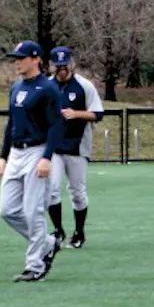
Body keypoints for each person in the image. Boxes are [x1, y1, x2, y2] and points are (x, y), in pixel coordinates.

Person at [0, 41, 66, 282]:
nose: (17, 61)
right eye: (15, 57)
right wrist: (3, 156)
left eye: (21, 57)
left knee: (32, 210)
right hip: (16, 153)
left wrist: (47, 157)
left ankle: (35, 266)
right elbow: (11, 124)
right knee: (6, 210)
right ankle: (48, 243)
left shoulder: (48, 88)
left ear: (36, 59)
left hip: (37, 151)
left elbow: (57, 124)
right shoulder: (16, 88)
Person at [46, 47, 104, 249]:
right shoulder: (46, 85)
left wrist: (76, 114)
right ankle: (58, 230)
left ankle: (79, 232)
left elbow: (97, 113)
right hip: (53, 146)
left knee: (77, 192)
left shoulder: (84, 86)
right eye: (57, 66)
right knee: (51, 189)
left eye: (64, 66)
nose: (61, 70)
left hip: (77, 145)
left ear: (71, 64)